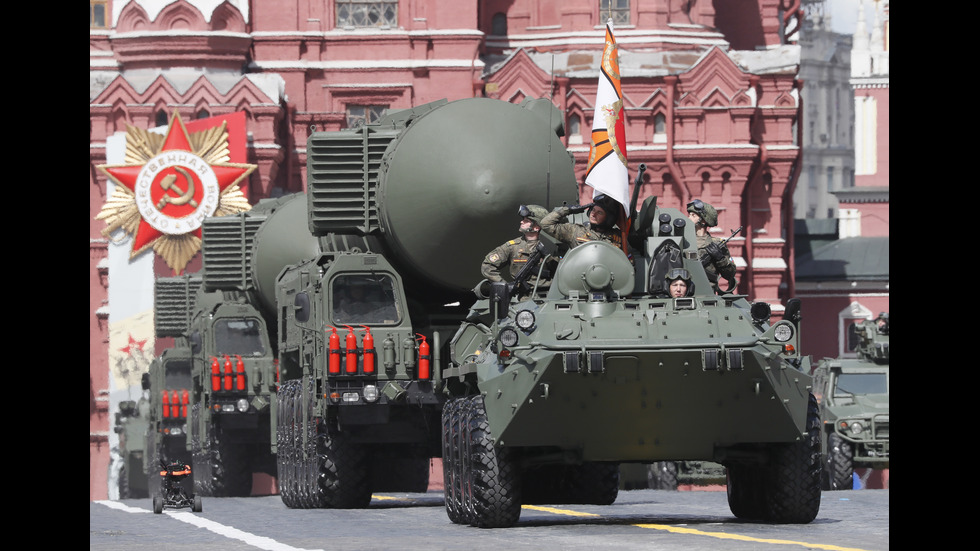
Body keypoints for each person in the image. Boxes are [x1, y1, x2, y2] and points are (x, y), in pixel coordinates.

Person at [481, 204, 557, 297]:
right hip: (522, 298)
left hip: (549, 296)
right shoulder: (512, 246)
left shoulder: (552, 246)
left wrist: (547, 256)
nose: (521, 222)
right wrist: (504, 285)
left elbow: (562, 269)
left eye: (526, 221)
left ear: (536, 227)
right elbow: (487, 265)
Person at [540, 194, 624, 251]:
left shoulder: (619, 237)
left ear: (608, 219)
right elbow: (546, 224)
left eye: (600, 213)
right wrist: (567, 210)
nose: (593, 214)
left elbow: (629, 265)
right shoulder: (575, 231)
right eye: (593, 210)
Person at [686, 199, 736, 294]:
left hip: (708, 294)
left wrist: (720, 258)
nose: (689, 218)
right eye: (689, 215)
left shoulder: (717, 244)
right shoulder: (684, 242)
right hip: (684, 293)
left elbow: (730, 275)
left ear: (703, 221)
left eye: (693, 216)